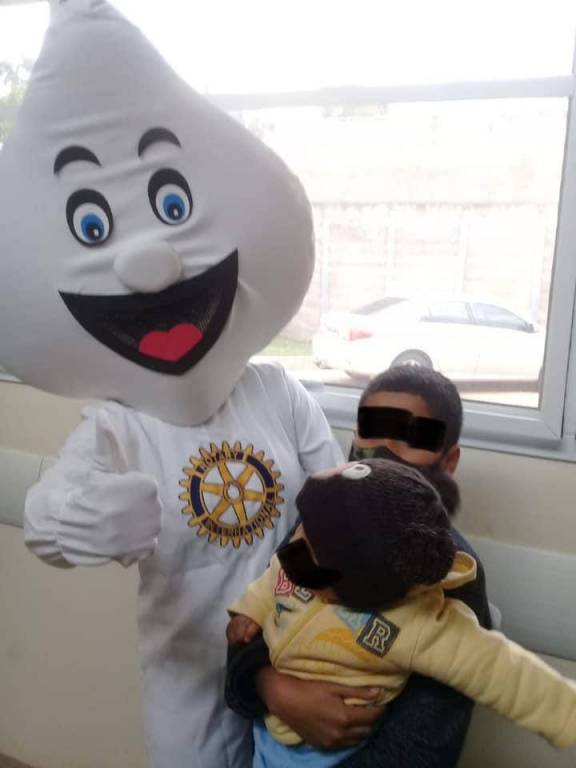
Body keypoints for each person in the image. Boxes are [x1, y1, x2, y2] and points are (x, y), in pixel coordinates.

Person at [0, 2, 355, 766]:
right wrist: (69, 520)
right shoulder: (118, 427)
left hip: (303, 666)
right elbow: (51, 506)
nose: (149, 262)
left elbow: (338, 513)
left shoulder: (279, 394)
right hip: (190, 690)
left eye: (172, 209)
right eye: (95, 228)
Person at [227, 459, 576, 768]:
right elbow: (270, 582)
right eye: (302, 527)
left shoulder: (417, 622)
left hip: (334, 754)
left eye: (307, 555)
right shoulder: (303, 550)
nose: (293, 546)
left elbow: (499, 668)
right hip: (267, 732)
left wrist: (566, 712)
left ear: (360, 586)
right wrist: (249, 613)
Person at [225, 366, 492, 767]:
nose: (383, 451)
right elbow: (252, 624)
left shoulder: (452, 574)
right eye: (371, 431)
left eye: (410, 438)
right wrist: (272, 688)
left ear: (448, 461)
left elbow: (429, 741)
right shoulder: (314, 527)